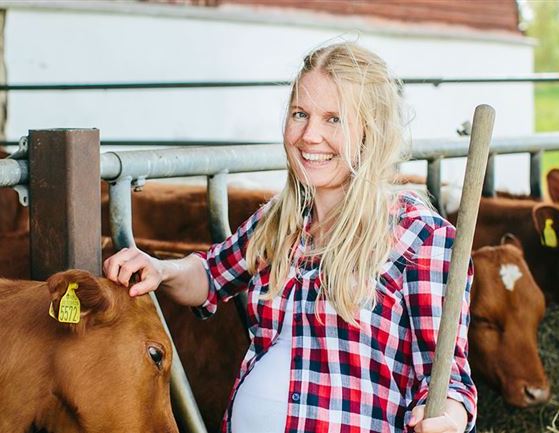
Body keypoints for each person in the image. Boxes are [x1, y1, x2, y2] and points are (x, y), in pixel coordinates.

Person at [104, 42, 477, 433]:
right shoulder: (281, 221)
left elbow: (448, 379)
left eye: (334, 119)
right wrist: (160, 269)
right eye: (300, 114)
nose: (309, 135)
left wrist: (447, 418)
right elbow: (210, 276)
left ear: (373, 131)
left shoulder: (422, 238)